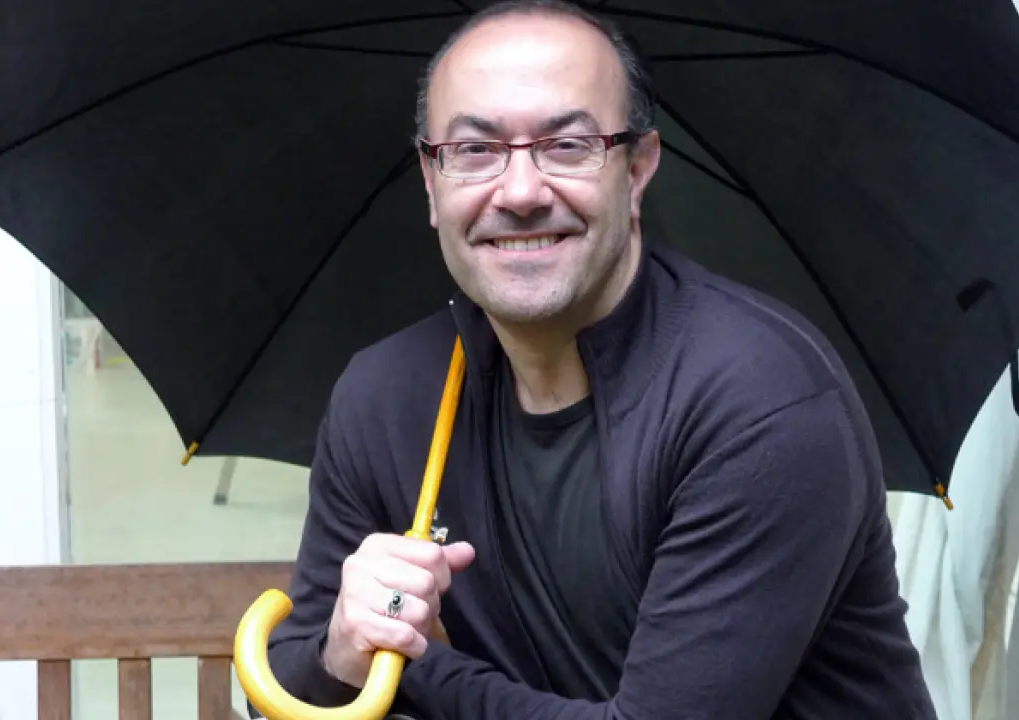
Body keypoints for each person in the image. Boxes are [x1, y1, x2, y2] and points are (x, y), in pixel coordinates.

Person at [257, 1, 935, 718]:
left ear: (637, 170)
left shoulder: (757, 402)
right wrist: (340, 650)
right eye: (475, 151)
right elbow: (284, 695)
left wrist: (411, 663)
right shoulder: (389, 397)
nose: (521, 193)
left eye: (568, 146)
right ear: (431, 181)